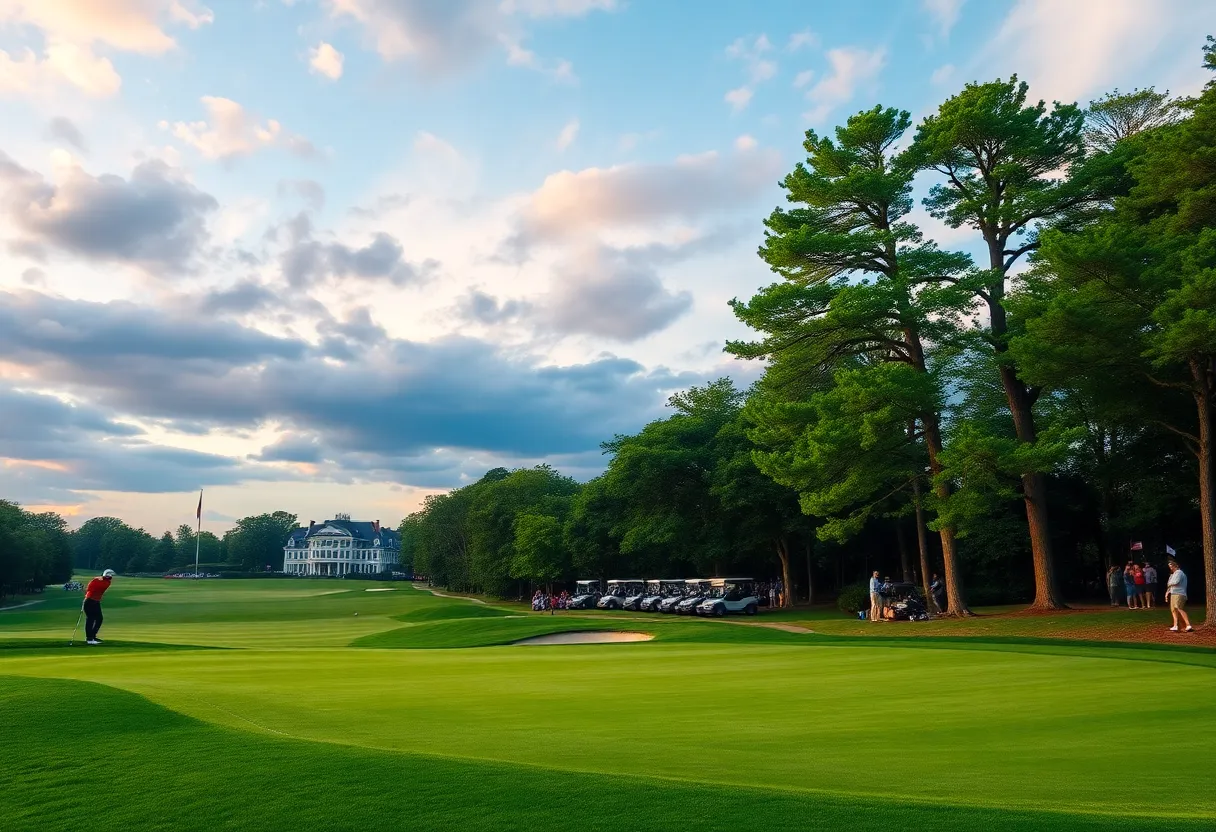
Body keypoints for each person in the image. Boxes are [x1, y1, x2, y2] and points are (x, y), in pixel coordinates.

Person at [83, 569, 115, 645]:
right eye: (110, 576)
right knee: (90, 619)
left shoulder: (106, 583)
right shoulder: (99, 580)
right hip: (89, 601)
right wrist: (96, 579)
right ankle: (89, 639)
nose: (111, 577)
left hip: (95, 602)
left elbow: (93, 587)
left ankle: (93, 636)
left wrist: (96, 579)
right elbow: (89, 588)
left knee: (99, 619)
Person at [1164, 559, 1193, 633]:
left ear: (1175, 566)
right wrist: (1167, 593)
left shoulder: (1179, 572)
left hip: (1180, 593)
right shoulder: (1173, 574)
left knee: (1179, 608)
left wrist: (1170, 583)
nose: (1171, 568)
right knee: (1173, 610)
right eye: (1170, 567)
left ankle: (1188, 625)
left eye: (1171, 566)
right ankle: (1175, 625)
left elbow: (1176, 582)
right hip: (1174, 593)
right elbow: (1169, 585)